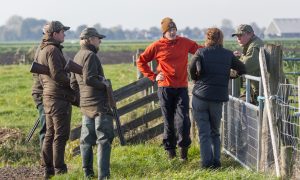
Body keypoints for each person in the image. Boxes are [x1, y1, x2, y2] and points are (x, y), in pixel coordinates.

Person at [137, 17, 202, 160]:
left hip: (181, 88)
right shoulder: (157, 45)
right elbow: (141, 61)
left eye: (174, 30)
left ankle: (183, 153)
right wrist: (153, 76)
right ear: (164, 32)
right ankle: (170, 154)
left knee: (184, 121)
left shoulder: (184, 42)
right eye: (169, 30)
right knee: (168, 121)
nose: (172, 33)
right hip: (165, 88)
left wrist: (221, 51)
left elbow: (201, 50)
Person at [189, 28, 246, 168]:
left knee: (204, 133)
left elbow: (191, 67)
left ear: (207, 38)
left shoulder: (201, 52)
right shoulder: (228, 54)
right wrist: (231, 76)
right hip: (217, 99)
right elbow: (243, 69)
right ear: (221, 38)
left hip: (200, 97)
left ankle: (206, 164)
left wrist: (196, 78)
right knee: (215, 132)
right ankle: (216, 162)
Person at [70, 27, 114, 179]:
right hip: (99, 105)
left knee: (86, 142)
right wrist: (105, 85)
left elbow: (73, 84)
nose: (100, 41)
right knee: (103, 140)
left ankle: (88, 175)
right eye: (97, 38)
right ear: (89, 39)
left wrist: (82, 99)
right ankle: (104, 176)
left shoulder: (77, 56)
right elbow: (89, 79)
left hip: (86, 105)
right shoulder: (90, 56)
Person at [37, 21, 74, 178]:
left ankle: (48, 170)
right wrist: (73, 80)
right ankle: (59, 170)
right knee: (60, 135)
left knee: (50, 134)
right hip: (58, 98)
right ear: (54, 34)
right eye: (62, 31)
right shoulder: (52, 50)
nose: (64, 34)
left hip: (49, 97)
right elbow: (57, 75)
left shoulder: (43, 49)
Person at [232, 24, 264, 104]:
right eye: (237, 36)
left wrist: (230, 70)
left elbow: (245, 67)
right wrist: (241, 56)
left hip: (263, 90)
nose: (238, 38)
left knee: (239, 106)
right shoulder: (252, 43)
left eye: (241, 35)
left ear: (250, 34)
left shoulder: (254, 47)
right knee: (238, 105)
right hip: (256, 87)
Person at [31, 46, 46, 149]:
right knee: (46, 129)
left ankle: (47, 159)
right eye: (62, 31)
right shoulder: (45, 49)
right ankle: (45, 161)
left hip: (44, 92)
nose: (64, 34)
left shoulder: (46, 48)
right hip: (42, 93)